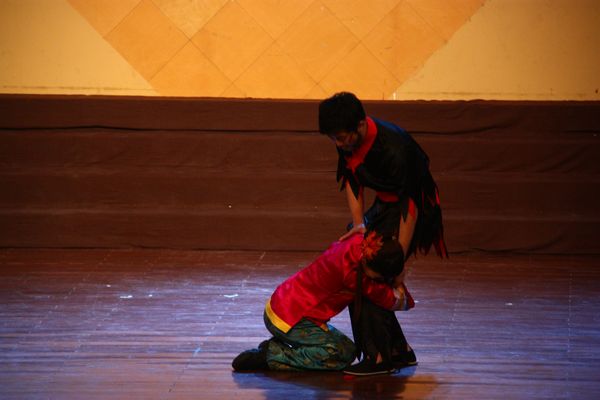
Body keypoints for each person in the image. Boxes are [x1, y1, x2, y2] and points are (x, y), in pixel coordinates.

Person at [318, 92, 448, 375]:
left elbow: (410, 204)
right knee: (354, 253)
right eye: (334, 139)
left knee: (370, 267)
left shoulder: (394, 148)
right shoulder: (348, 141)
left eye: (341, 138)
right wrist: (359, 226)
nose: (338, 144)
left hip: (415, 211)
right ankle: (398, 350)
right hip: (386, 205)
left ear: (360, 125)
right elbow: (352, 179)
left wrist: (396, 260)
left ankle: (379, 357)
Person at [231, 231, 414, 373]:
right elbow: (397, 302)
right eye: (380, 277)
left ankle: (282, 346)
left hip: (282, 303)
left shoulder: (357, 242)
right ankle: (273, 355)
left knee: (347, 348)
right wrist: (398, 281)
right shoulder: (354, 276)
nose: (380, 281)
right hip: (292, 319)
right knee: (340, 354)